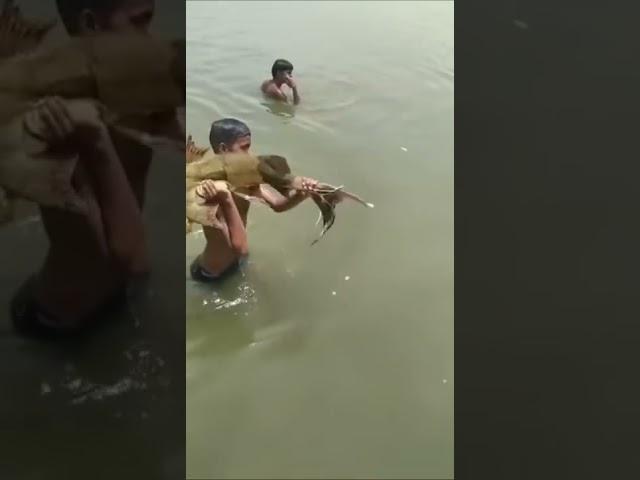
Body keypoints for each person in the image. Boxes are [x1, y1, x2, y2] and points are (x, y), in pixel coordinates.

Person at [10, 0, 157, 338]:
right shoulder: (52, 118)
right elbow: (127, 258)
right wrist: (95, 141)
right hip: (61, 318)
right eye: (139, 22)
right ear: (90, 24)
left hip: (113, 296)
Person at [190, 118, 317, 282]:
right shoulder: (210, 191)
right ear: (223, 149)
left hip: (236, 262)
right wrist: (227, 199)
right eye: (244, 148)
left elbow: (278, 205)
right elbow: (239, 248)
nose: (249, 154)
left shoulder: (246, 179)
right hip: (210, 273)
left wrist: (302, 194)